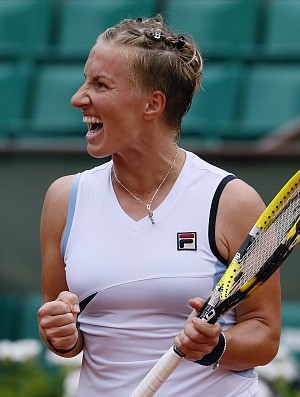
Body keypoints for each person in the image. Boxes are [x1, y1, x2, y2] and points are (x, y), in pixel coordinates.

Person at [37, 15, 281, 396]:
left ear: (152, 104)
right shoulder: (64, 199)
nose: (78, 97)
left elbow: (264, 335)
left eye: (100, 84)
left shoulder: (232, 201)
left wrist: (216, 346)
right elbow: (66, 338)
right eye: (86, 80)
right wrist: (60, 334)